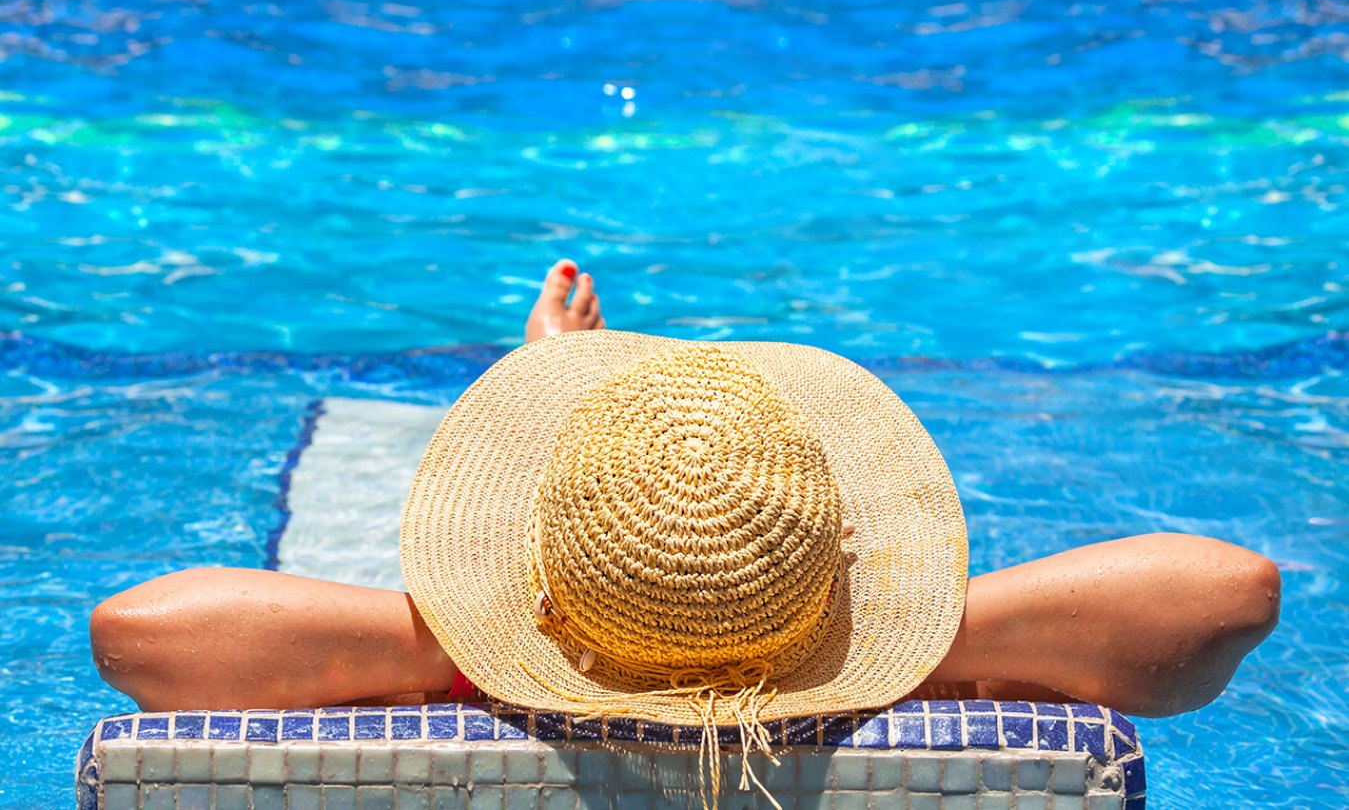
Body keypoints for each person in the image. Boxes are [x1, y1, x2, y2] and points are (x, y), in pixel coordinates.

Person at [89, 259, 1281, 725]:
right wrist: (908, 636)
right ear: (837, 541)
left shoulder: (451, 664)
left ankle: (567, 403)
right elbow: (1229, 589)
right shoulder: (916, 672)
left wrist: (447, 647)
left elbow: (137, 634)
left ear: (530, 575)